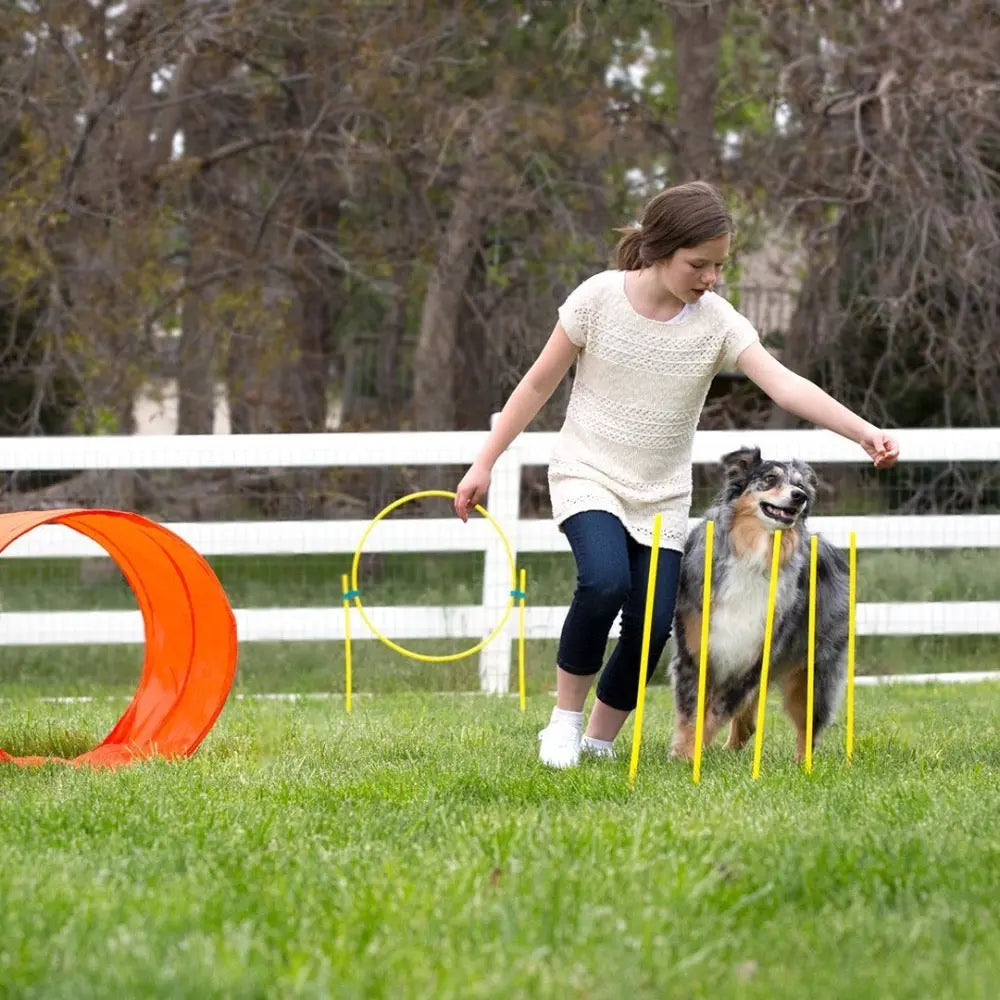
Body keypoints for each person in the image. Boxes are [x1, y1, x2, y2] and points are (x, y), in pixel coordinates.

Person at [452, 180, 899, 769]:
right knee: (605, 583)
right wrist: (485, 461)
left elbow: (784, 383)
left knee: (655, 621)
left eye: (719, 264)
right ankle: (562, 724)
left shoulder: (716, 323)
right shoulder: (597, 300)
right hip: (587, 472)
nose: (710, 277)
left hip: (661, 493)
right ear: (660, 249)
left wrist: (862, 430)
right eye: (699, 264)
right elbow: (537, 384)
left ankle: (600, 740)